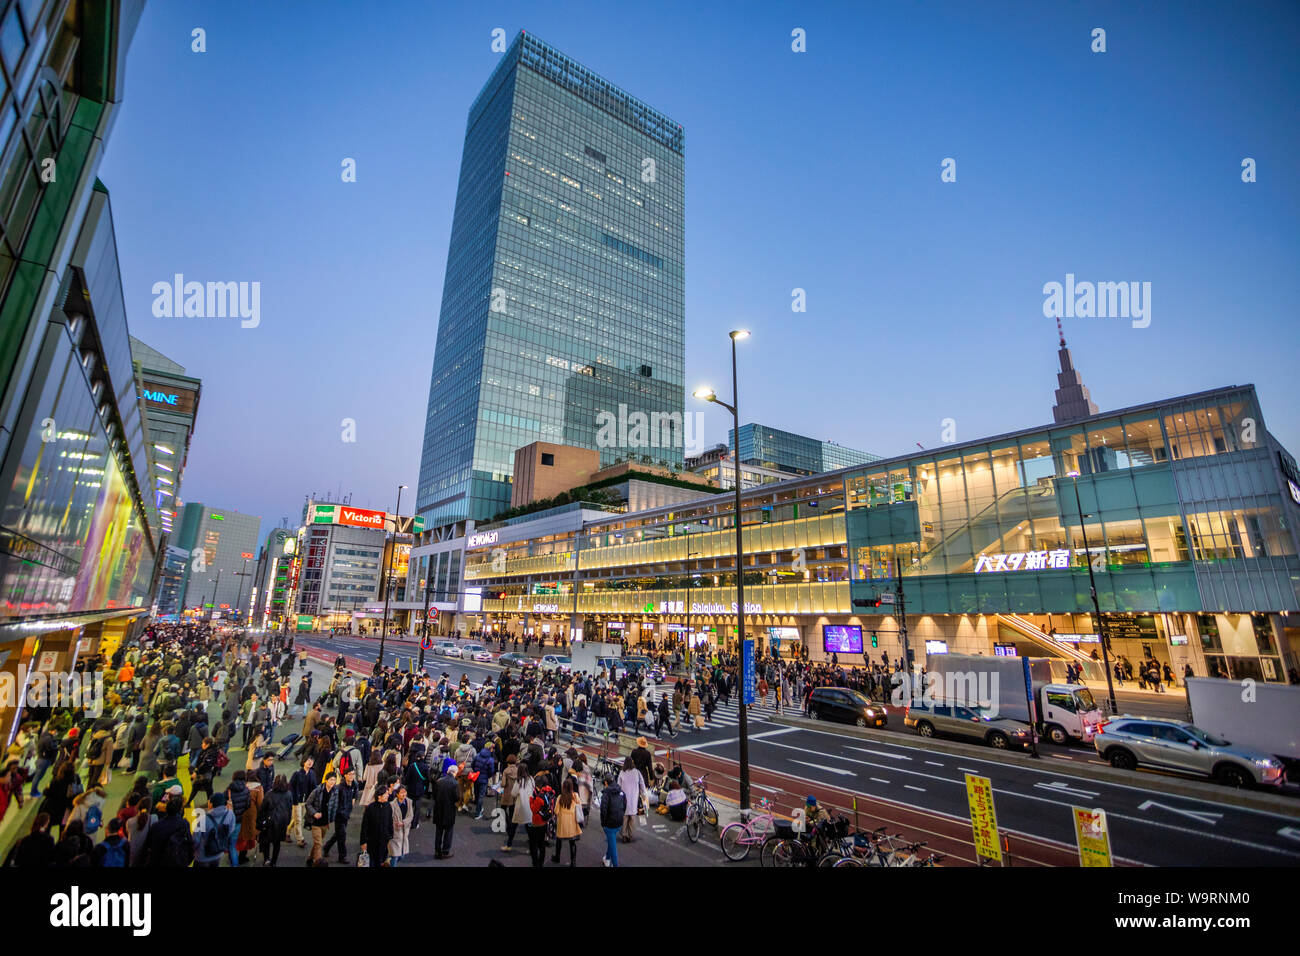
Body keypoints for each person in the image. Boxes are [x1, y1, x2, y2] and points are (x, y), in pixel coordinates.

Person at [193, 793, 238, 868]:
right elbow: (230, 830)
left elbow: (195, 840)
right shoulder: (230, 814)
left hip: (203, 856)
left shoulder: (203, 819)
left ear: (211, 804)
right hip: (218, 853)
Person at [258, 775, 292, 866]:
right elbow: (289, 809)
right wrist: (288, 821)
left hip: (270, 822)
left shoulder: (269, 794)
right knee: (277, 843)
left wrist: (260, 821)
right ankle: (274, 862)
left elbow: (262, 809)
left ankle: (266, 859)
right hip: (282, 822)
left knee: (266, 841)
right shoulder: (288, 794)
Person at [305, 772, 337, 866]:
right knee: (319, 843)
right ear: (326, 780)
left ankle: (310, 858)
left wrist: (331, 818)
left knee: (317, 843)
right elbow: (308, 803)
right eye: (331, 779)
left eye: (334, 780)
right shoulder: (317, 790)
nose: (333, 782)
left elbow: (334, 806)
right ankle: (318, 862)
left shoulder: (335, 791)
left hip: (325, 823)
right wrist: (314, 813)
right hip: (315, 822)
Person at [526, 771, 556, 868]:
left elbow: (534, 809)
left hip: (537, 821)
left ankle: (536, 863)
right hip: (545, 821)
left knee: (534, 844)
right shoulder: (550, 792)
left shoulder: (539, 797)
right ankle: (541, 863)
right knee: (542, 844)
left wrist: (531, 800)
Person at [360, 781, 394, 867]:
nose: (388, 795)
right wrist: (363, 842)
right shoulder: (370, 808)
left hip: (383, 842)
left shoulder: (388, 806)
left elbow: (390, 821)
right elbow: (364, 826)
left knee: (381, 862)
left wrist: (390, 835)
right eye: (386, 794)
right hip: (372, 842)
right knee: (371, 862)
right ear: (379, 796)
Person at [551, 776, 582, 866]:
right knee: (572, 842)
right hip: (572, 822)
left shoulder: (560, 797)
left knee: (559, 841)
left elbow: (556, 811)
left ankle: (557, 857)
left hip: (562, 823)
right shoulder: (575, 796)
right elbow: (579, 806)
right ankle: (573, 862)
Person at [431, 762, 459, 860]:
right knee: (448, 832)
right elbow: (457, 798)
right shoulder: (455, 783)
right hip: (449, 810)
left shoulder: (439, 781)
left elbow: (434, 795)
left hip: (439, 809)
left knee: (438, 832)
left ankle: (437, 850)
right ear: (455, 773)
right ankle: (445, 851)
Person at [599, 773, 625, 867]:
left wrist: (603, 823)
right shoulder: (620, 791)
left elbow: (603, 810)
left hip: (610, 824)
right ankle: (607, 858)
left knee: (613, 846)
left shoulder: (606, 794)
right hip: (619, 821)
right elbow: (624, 804)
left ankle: (614, 864)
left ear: (606, 783)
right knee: (611, 841)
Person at [617, 755, 645, 844]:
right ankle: (630, 835)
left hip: (624, 800)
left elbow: (618, 786)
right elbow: (642, 783)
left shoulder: (622, 773)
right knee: (632, 818)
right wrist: (643, 794)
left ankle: (624, 835)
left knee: (624, 818)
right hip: (633, 799)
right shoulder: (637, 772)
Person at [389, 785, 413, 865]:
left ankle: (388, 862)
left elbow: (411, 816)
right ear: (397, 794)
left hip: (405, 832)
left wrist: (403, 823)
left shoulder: (409, 802)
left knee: (402, 856)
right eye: (402, 792)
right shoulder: (392, 805)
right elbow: (389, 818)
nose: (404, 794)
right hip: (395, 833)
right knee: (395, 856)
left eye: (405, 792)